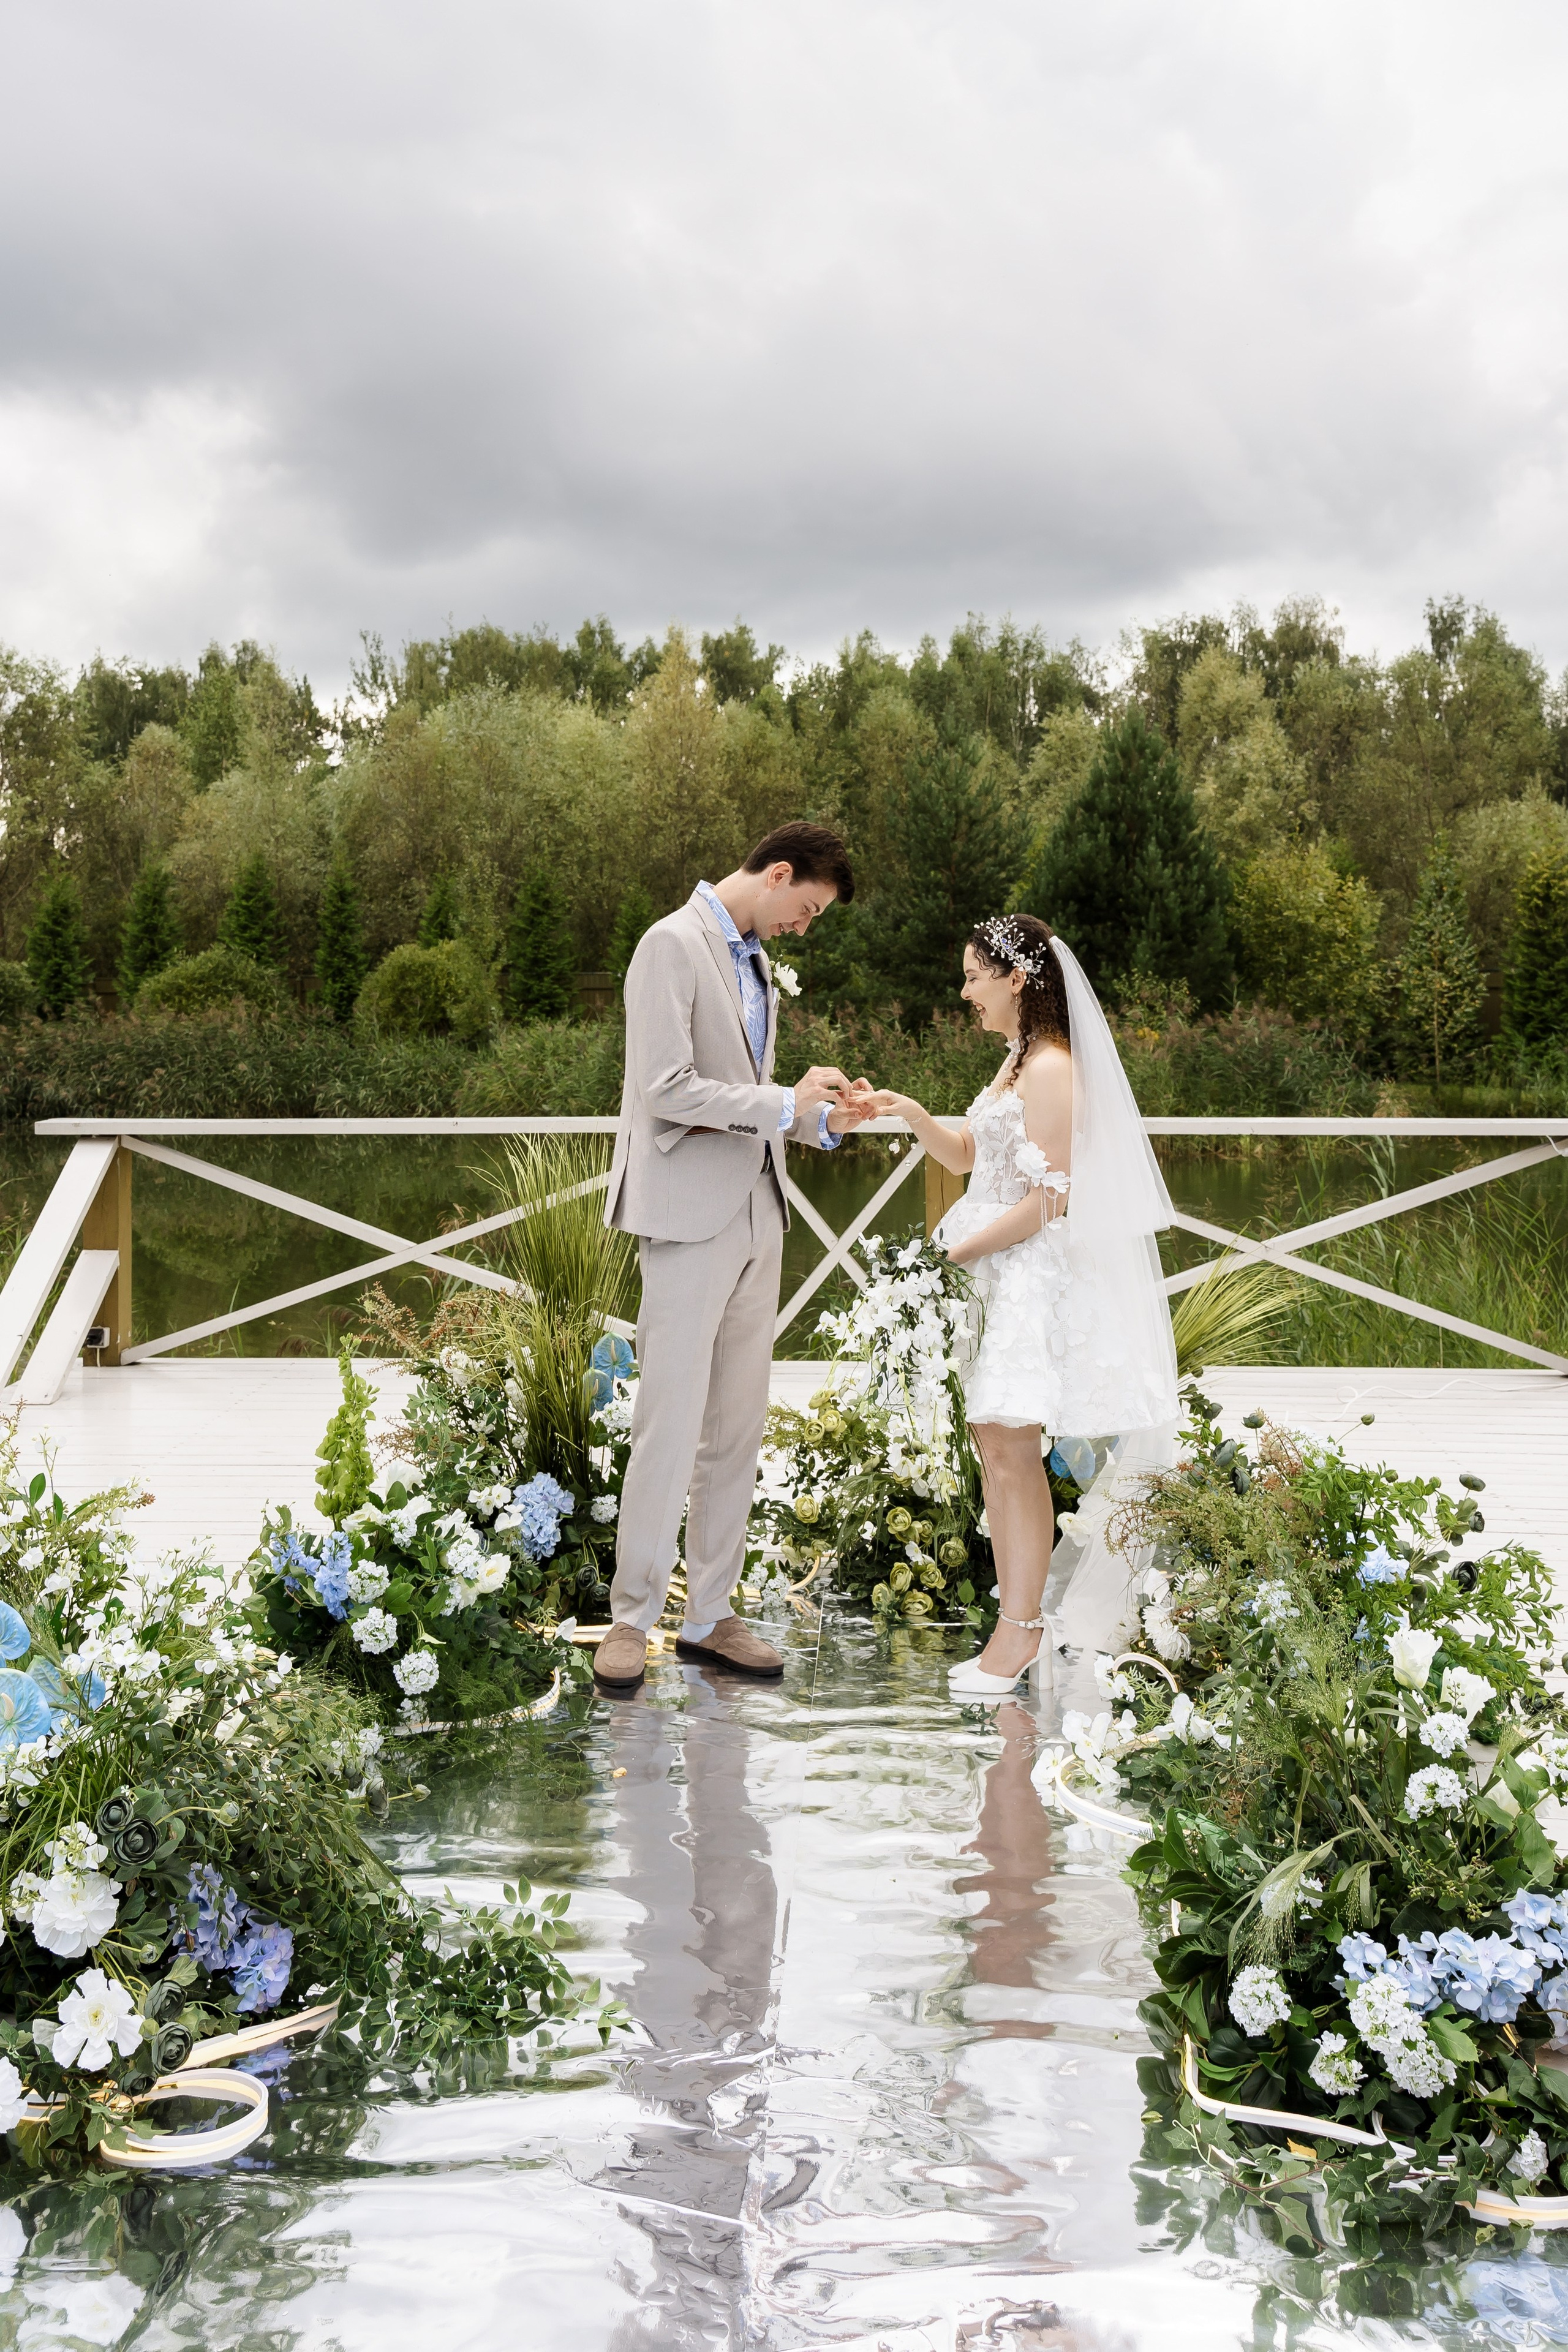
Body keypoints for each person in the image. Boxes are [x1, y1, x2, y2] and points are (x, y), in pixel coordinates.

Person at [594, 822, 877, 1694]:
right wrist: (781, 1101)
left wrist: (820, 1119)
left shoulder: (755, 963)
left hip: (760, 1212)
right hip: (687, 1216)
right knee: (669, 1422)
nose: (804, 927)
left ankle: (711, 1614)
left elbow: (750, 1102)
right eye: (809, 908)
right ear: (778, 872)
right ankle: (632, 1618)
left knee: (737, 1428)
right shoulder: (669, 945)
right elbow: (666, 1090)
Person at [870, 913, 1178, 1699]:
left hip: (1024, 1274)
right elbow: (969, 1157)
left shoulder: (1049, 1068)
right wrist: (912, 1114)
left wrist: (958, 1254)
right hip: (993, 1268)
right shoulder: (1014, 1061)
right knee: (995, 1449)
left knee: (1012, 1452)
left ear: (1016, 979)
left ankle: (1021, 1629)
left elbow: (1050, 1199)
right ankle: (1016, 1626)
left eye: (974, 977)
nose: (964, 991)